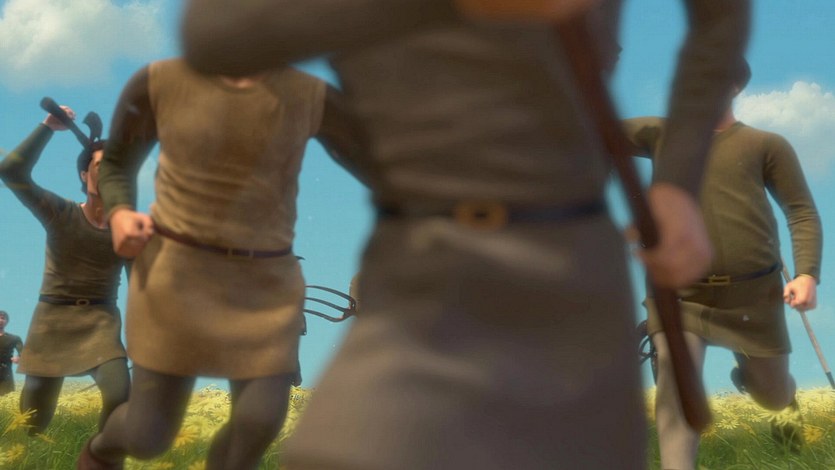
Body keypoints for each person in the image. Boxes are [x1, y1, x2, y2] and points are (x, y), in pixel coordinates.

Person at [180, 0, 750, 468]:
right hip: (422, 256)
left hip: (565, 257)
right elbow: (217, 33)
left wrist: (677, 187)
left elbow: (717, 24)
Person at [76, 58, 361, 470]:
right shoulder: (159, 82)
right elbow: (117, 162)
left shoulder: (310, 94)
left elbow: (380, 162)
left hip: (267, 279)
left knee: (259, 419)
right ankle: (100, 453)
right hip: (178, 272)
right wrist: (119, 212)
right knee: (147, 434)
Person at [625, 60, 822, 468]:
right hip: (680, 294)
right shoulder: (659, 133)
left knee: (772, 395)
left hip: (754, 295)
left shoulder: (766, 144)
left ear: (735, 85)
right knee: (677, 384)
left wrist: (806, 273)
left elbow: (801, 210)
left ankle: (784, 422)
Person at [0, 108, 130, 434]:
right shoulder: (61, 213)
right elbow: (11, 171)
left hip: (101, 323)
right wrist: (47, 127)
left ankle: (99, 456)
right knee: (33, 420)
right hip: (52, 322)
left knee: (119, 394)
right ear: (85, 175)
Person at [0, 310, 24, 396]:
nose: (0, 320)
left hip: (5, 373)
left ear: (7, 321)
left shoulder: (14, 338)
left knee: (5, 397)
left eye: (3, 318)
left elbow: (23, 353)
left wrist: (19, 358)